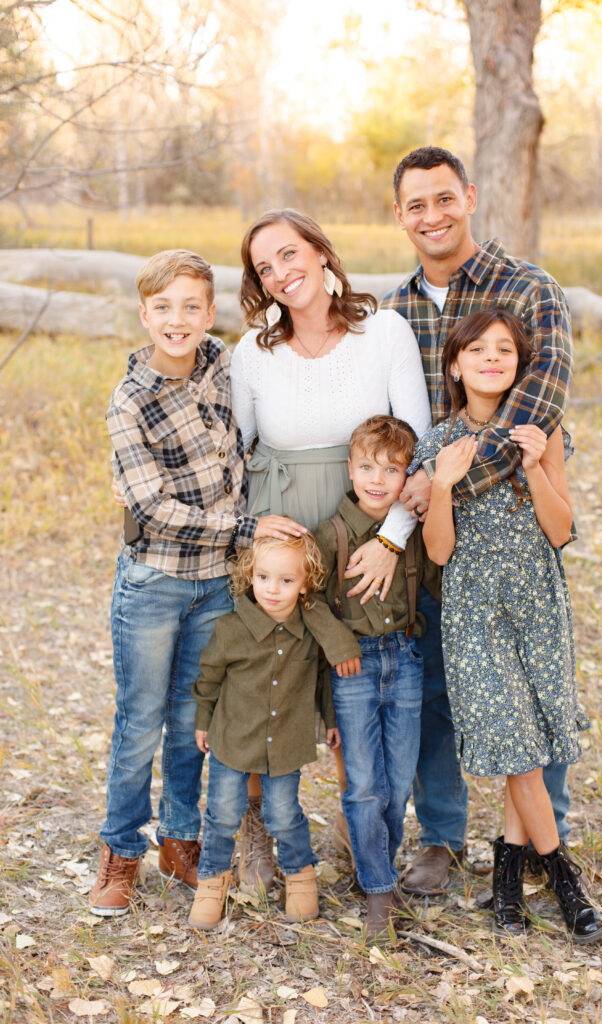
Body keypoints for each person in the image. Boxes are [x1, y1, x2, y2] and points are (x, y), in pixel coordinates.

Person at [371, 146, 575, 894]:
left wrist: (446, 477)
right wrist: (419, 495)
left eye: (443, 198)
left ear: (470, 197)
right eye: (415, 204)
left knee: (529, 677)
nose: (431, 215)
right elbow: (388, 419)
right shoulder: (393, 311)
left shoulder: (527, 289)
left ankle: (542, 840)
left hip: (513, 513)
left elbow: (540, 399)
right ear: (399, 215)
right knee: (436, 686)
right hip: (438, 526)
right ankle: (443, 838)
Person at [90, 250, 305, 917]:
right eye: (163, 307)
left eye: (191, 306)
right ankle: (119, 853)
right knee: (140, 725)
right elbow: (153, 509)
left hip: (215, 586)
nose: (177, 320)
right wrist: (245, 529)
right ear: (144, 314)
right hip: (155, 584)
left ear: (209, 313)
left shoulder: (220, 364)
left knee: (191, 724)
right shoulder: (130, 402)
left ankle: (178, 842)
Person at [230, 209, 432, 888]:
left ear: (320, 252)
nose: (282, 273)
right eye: (265, 267)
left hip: (366, 535)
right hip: (280, 527)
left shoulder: (384, 333)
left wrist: (389, 542)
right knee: (269, 682)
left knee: (356, 677)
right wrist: (248, 530)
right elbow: (235, 455)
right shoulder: (252, 350)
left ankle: (360, 828)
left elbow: (418, 448)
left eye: (290, 254)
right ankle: (255, 832)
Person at [414, 308, 602, 943]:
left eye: (505, 350)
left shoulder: (541, 431)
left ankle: (505, 881)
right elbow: (438, 553)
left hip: (536, 600)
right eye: (479, 350)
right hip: (474, 607)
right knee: (514, 741)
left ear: (520, 365)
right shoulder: (440, 444)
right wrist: (441, 485)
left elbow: (562, 530)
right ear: (455, 365)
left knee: (532, 737)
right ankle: (561, 874)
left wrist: (532, 465)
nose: (492, 359)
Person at [188, 533, 361, 930]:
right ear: (250, 576)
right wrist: (202, 720)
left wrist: (330, 719)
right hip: (233, 739)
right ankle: (212, 882)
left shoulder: (308, 632)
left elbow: (322, 678)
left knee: (283, 814)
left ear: (305, 585)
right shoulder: (232, 629)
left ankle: (300, 876)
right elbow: (209, 677)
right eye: (264, 577)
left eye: (286, 580)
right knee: (222, 814)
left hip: (285, 743)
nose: (272, 589)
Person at [314, 415, 440, 939]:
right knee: (364, 786)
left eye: (391, 470)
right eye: (366, 466)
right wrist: (340, 644)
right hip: (353, 670)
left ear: (407, 476)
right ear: (349, 468)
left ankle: (377, 868)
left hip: (405, 662)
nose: (376, 479)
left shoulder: (405, 532)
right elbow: (308, 601)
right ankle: (379, 893)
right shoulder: (331, 533)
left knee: (397, 782)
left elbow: (438, 572)